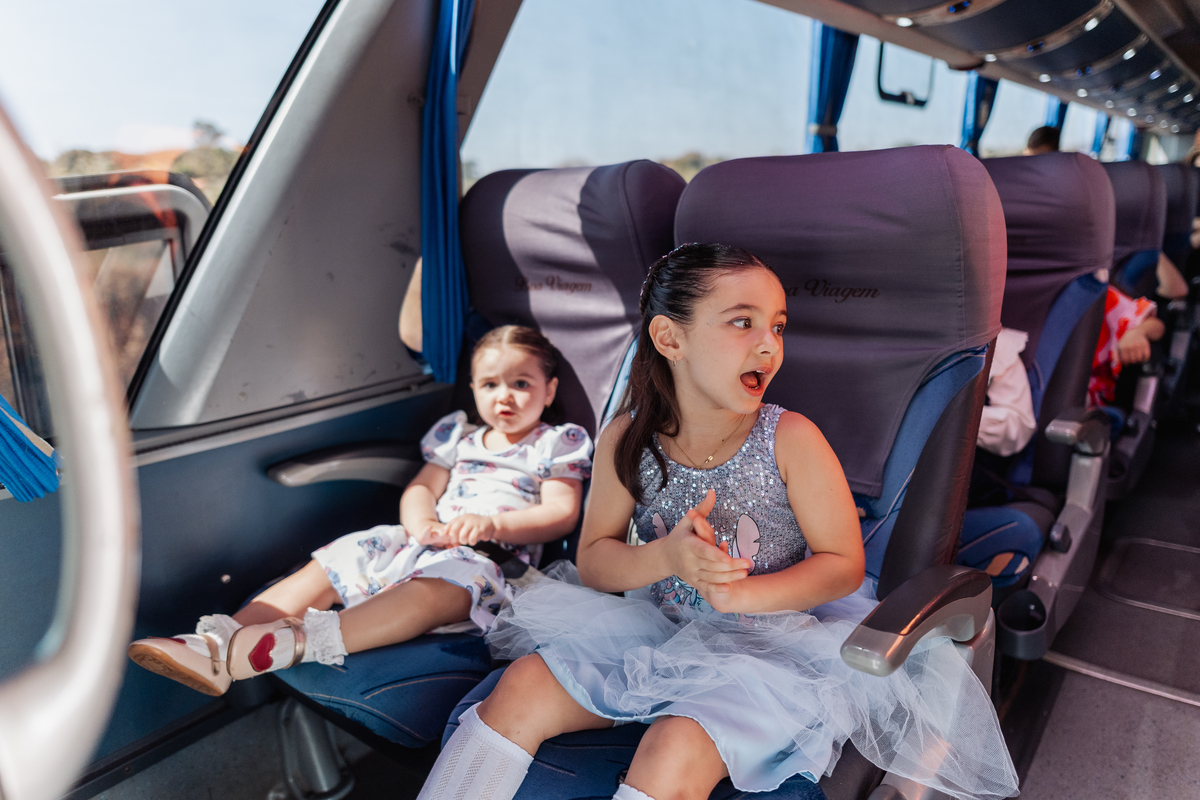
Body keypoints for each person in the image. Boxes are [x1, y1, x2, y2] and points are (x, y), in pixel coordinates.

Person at [416, 244, 1018, 800]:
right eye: (742, 322)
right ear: (669, 339)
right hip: (658, 625)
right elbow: (597, 559)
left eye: (778, 327)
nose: (769, 345)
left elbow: (843, 565)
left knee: (677, 742)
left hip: (771, 648)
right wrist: (667, 560)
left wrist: (742, 594)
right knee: (522, 684)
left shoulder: (792, 439)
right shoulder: (627, 438)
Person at [127, 325, 593, 696]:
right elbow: (421, 489)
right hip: (422, 542)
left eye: (521, 383)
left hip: (488, 561)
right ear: (473, 389)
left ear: (549, 391)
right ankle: (216, 645)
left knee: (441, 587)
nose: (504, 396)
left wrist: (492, 524)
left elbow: (561, 512)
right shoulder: (459, 438)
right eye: (490, 384)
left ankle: (293, 644)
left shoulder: (554, 443)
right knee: (339, 557)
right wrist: (420, 523)